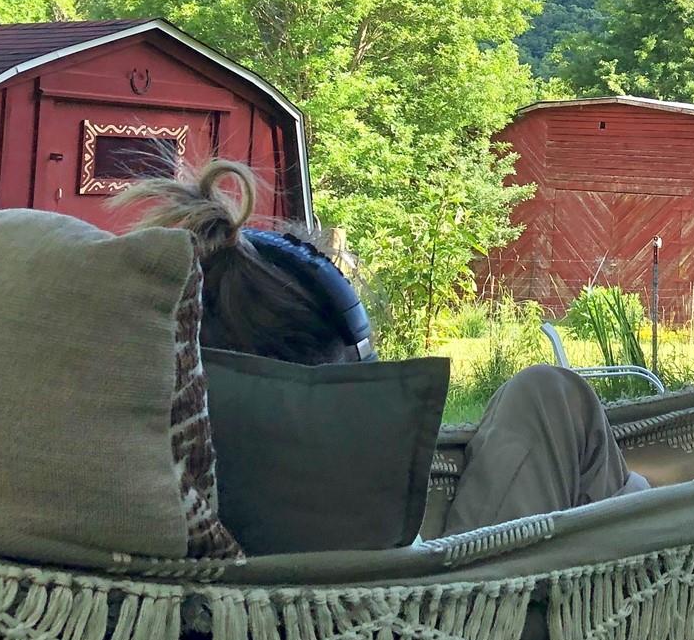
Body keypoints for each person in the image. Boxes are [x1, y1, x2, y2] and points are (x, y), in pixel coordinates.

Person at [118, 158, 645, 538]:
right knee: (552, 396)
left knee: (547, 396)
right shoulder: (333, 480)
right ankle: (664, 518)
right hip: (451, 626)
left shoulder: (139, 452)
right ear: (342, 362)